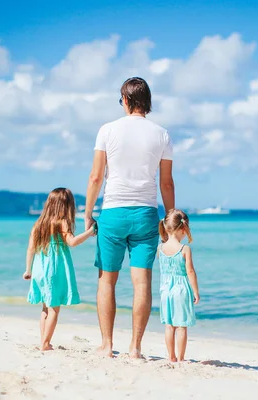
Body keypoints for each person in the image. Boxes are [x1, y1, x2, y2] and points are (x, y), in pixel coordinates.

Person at [84, 77, 175, 358]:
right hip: (146, 213)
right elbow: (167, 183)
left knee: (106, 281)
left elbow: (96, 176)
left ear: (125, 99)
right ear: (146, 101)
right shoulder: (162, 134)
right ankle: (135, 348)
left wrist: (87, 214)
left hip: (113, 212)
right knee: (142, 283)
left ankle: (107, 345)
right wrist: (170, 219)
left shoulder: (107, 130)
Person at [23, 188, 96, 351]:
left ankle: (44, 341)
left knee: (45, 307)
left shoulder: (39, 224)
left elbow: (30, 249)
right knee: (54, 307)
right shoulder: (62, 222)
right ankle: (45, 344)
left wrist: (28, 270)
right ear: (67, 206)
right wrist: (90, 232)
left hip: (39, 269)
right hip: (54, 269)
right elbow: (72, 242)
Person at [158, 209, 199, 362]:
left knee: (169, 326)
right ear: (183, 229)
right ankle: (181, 358)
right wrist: (196, 291)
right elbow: (190, 271)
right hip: (181, 290)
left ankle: (171, 357)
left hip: (165, 290)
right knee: (181, 326)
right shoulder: (184, 249)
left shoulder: (160, 248)